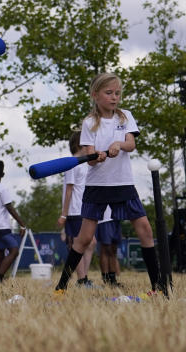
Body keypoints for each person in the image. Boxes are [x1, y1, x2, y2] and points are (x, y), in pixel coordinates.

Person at [55, 73, 163, 294]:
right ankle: (61, 288)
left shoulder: (125, 117)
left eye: (117, 93)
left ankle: (158, 287)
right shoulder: (89, 123)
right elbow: (89, 157)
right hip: (98, 186)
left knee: (145, 231)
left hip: (123, 183)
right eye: (109, 93)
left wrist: (118, 144)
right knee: (84, 239)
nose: (114, 98)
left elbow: (131, 144)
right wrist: (96, 157)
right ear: (95, 95)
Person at [57, 130, 96, 287]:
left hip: (85, 209)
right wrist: (64, 215)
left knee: (91, 243)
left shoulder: (86, 164)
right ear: (80, 143)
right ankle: (82, 279)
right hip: (74, 211)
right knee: (78, 244)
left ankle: (83, 278)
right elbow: (69, 190)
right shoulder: (72, 163)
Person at [96, 207, 122, 286]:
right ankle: (106, 279)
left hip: (117, 216)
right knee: (106, 248)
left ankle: (113, 279)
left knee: (114, 250)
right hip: (105, 218)